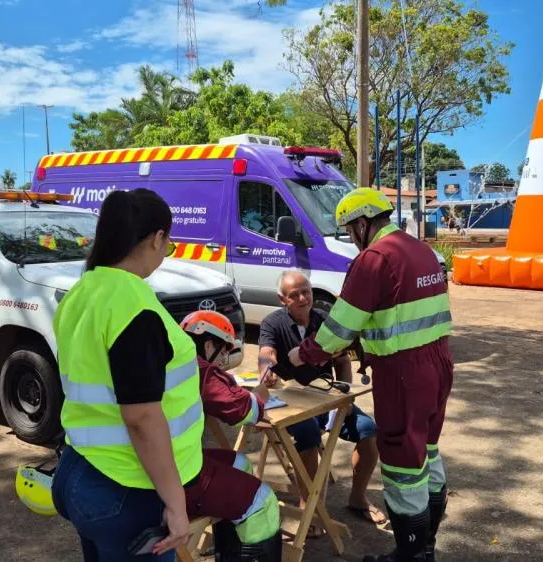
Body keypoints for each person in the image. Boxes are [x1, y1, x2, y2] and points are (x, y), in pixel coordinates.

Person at [50, 189, 279, 562]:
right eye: (168, 243)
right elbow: (141, 417)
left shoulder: (81, 294)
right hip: (128, 486)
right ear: (157, 238)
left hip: (81, 469)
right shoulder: (133, 307)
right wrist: (175, 504)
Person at [286, 187, 454, 562]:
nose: (352, 239)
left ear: (362, 224)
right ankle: (425, 545)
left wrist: (303, 354)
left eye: (350, 231)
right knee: (426, 449)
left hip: (403, 373)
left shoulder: (375, 258)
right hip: (439, 361)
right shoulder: (422, 251)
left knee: (402, 461)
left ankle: (411, 554)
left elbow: (340, 327)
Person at [257, 269, 386, 526]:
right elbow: (266, 354)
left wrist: (344, 394)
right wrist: (266, 369)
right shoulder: (272, 322)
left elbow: (342, 361)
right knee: (307, 434)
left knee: (368, 429)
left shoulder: (325, 321)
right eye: (294, 295)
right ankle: (309, 506)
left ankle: (358, 497)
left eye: (306, 292)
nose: (303, 299)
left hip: (326, 399)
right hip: (292, 403)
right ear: (282, 299)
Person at [179, 310, 283, 560]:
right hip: (174, 476)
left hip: (162, 462)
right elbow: (245, 411)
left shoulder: (171, 358)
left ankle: (228, 554)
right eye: (224, 349)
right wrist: (259, 395)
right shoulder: (198, 367)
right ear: (208, 344)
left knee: (239, 463)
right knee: (263, 502)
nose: (224, 357)